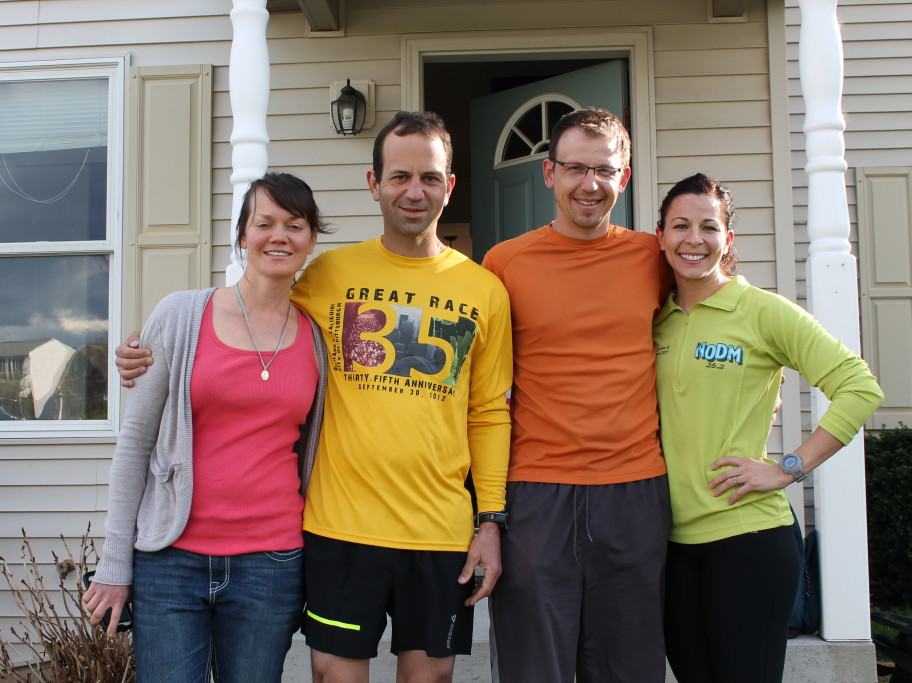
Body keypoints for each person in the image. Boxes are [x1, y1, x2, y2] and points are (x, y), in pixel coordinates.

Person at [116, 111, 514, 683]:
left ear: (450, 186)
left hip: (440, 529)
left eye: (429, 177)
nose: (414, 190)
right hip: (338, 527)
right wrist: (151, 352)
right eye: (399, 177)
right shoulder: (326, 274)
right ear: (374, 185)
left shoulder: (485, 292)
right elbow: (251, 308)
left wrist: (490, 519)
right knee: (334, 675)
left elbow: (488, 412)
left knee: (430, 679)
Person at [84, 172, 330, 682]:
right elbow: (134, 446)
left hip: (272, 563)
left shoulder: (317, 339)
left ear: (311, 240)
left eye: (295, 225)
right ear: (242, 235)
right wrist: (114, 564)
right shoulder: (180, 316)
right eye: (264, 223)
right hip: (171, 561)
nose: (278, 236)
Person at [653, 173, 883, 683]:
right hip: (670, 544)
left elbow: (859, 386)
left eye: (709, 227)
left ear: (728, 239)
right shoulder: (655, 319)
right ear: (661, 236)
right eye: (681, 226)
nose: (694, 239)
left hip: (748, 538)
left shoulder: (760, 310)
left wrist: (787, 468)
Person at [481, 107, 673, 682]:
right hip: (537, 490)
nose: (590, 184)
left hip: (635, 488)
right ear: (549, 174)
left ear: (625, 177)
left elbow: (720, 321)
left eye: (605, 170)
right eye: (575, 169)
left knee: (629, 664)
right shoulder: (504, 264)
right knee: (533, 665)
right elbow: (481, 387)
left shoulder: (654, 258)